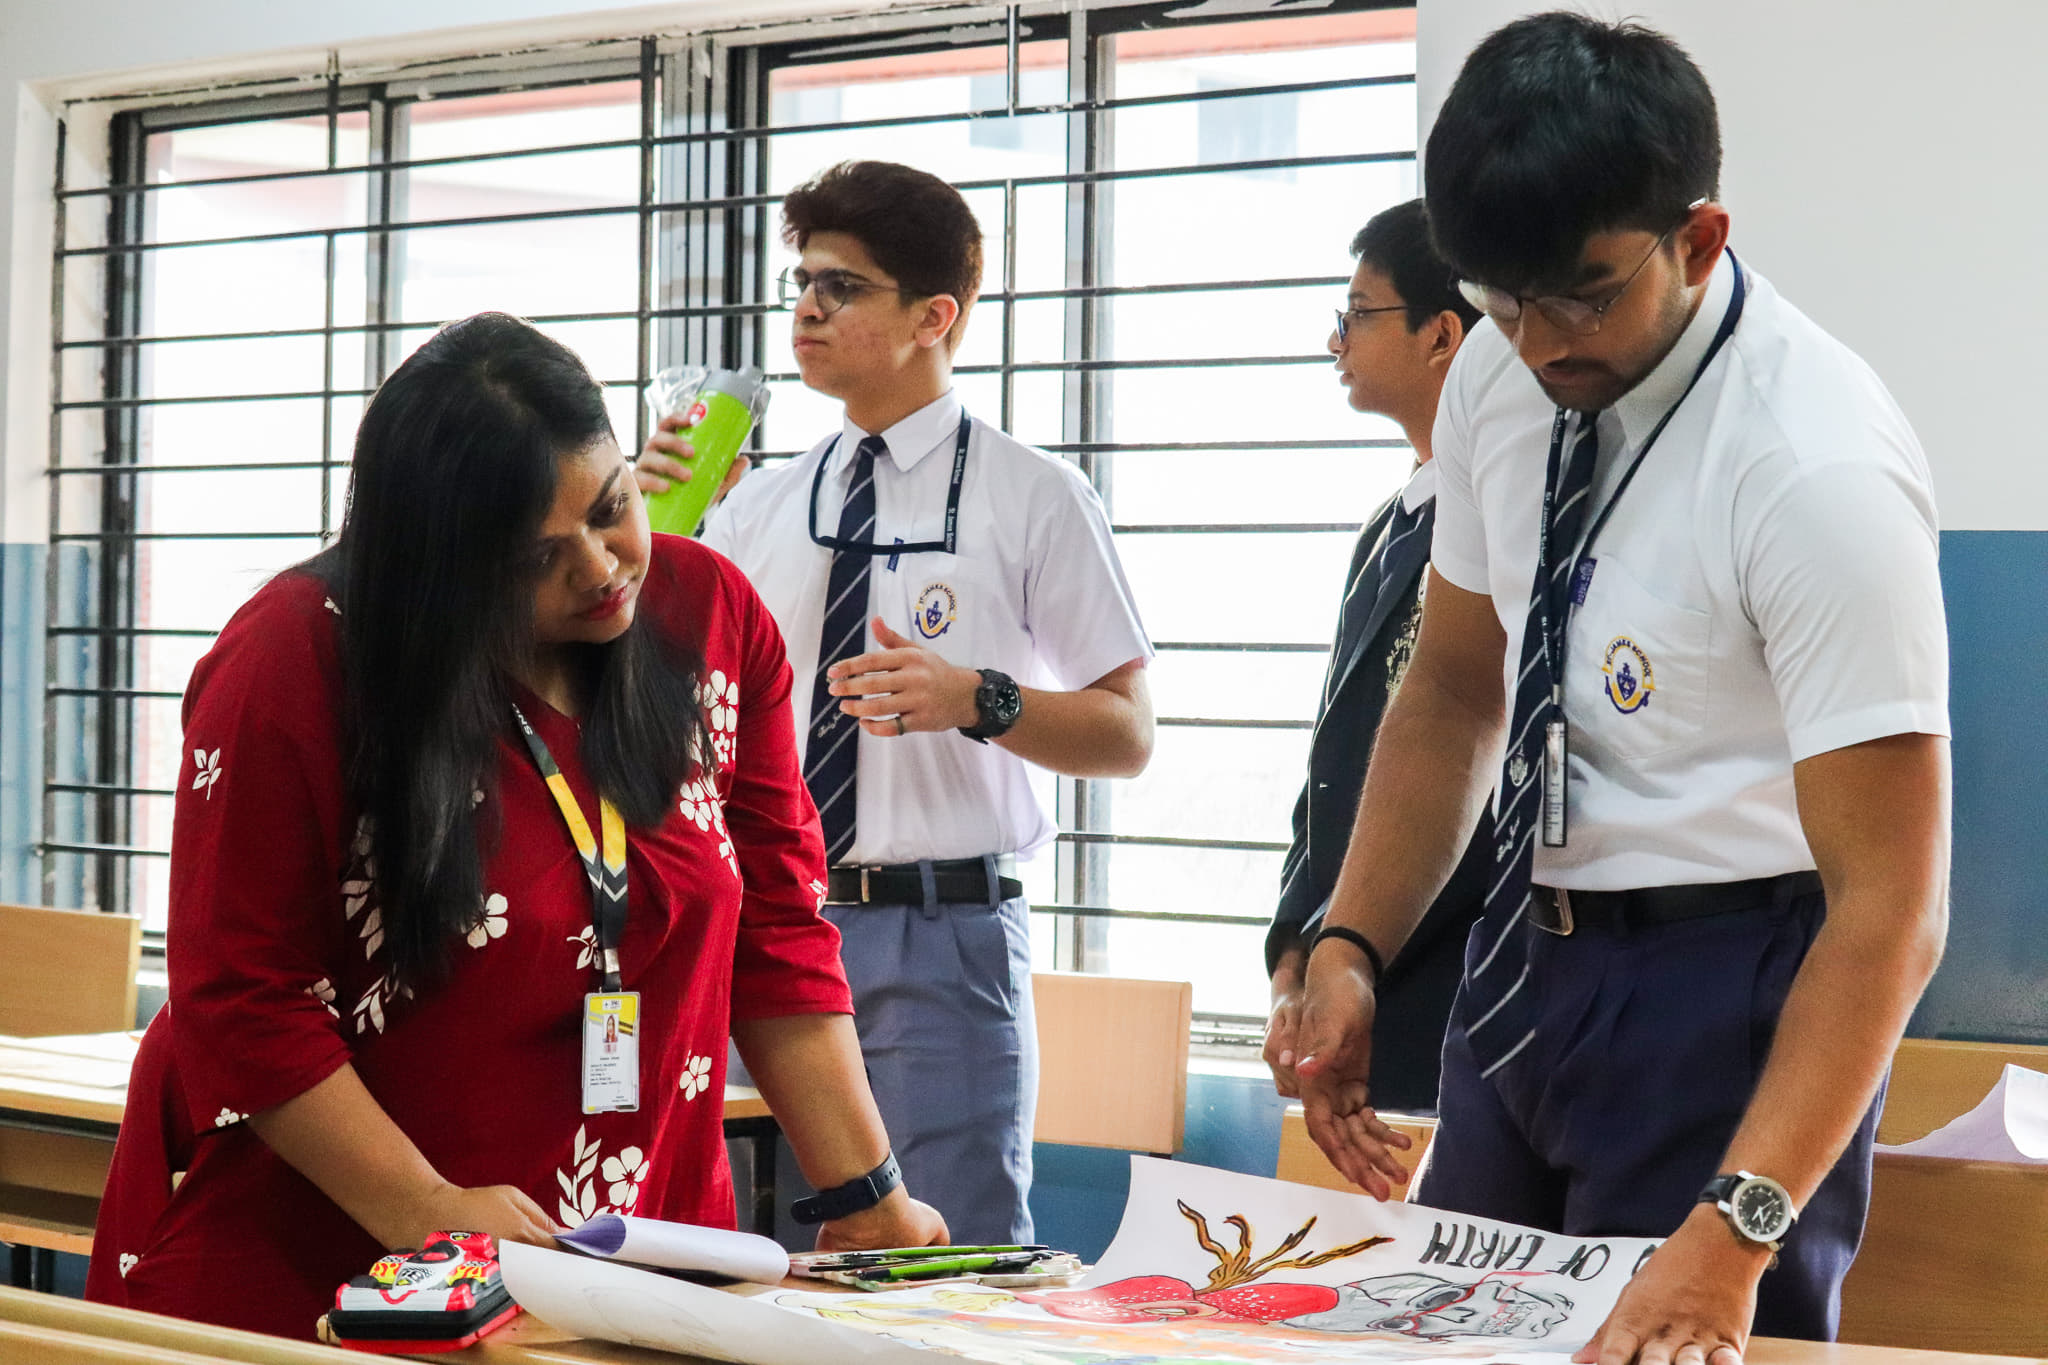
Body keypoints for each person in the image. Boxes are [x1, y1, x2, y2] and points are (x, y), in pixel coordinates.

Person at [1273, 14, 1949, 1362]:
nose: (1539, 345)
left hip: (1736, 987)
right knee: (1448, 1345)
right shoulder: (1502, 372)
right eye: (1503, 303)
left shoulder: (1813, 468)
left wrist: (1735, 1228)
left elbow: (1893, 909)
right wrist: (1352, 944)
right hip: (1526, 960)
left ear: (1699, 239)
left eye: (1583, 296)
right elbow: (1457, 692)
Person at [86, 313, 943, 1339]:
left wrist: (867, 1201)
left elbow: (775, 926)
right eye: (537, 556)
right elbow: (241, 996)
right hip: (334, 1270)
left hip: (635, 1260)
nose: (599, 567)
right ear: (438, 564)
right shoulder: (298, 659)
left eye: (612, 506)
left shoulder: (704, 614)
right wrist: (429, 1216)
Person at [639, 160, 1154, 1243]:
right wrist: (636, 529)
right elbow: (658, 709)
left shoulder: (1035, 495)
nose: (807, 309)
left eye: (842, 286)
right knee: (734, 1269)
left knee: (947, 1266)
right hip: (759, 926)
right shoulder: (755, 508)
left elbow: (1125, 734)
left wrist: (981, 699)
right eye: (802, 281)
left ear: (935, 316)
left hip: (939, 930)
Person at [1263, 199, 1490, 1115]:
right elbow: (1338, 764)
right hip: (1356, 971)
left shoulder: (1499, 527)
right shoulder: (1390, 527)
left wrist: (1349, 952)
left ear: (1443, 334)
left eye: (1358, 313)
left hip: (1445, 987)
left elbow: (1467, 766)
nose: (1334, 339)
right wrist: (1294, 954)